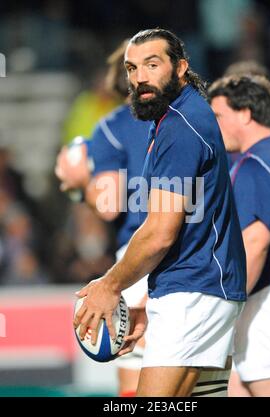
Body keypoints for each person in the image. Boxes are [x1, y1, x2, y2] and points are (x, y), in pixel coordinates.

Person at [73, 28, 246, 397]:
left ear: (181, 67)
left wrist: (109, 286)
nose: (140, 78)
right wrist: (151, 301)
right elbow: (188, 227)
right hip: (200, 290)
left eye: (152, 64)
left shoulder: (179, 128)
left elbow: (159, 232)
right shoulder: (177, 118)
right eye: (132, 68)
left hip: (193, 293)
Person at [55, 40, 151, 396]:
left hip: (140, 260)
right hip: (199, 258)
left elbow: (109, 204)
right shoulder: (193, 117)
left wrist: (81, 185)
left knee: (137, 376)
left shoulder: (114, 126)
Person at [208, 75, 270, 397]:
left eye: (218, 116)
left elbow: (255, 244)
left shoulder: (259, 163)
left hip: (269, 306)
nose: (213, 125)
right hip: (263, 305)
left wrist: (223, 306)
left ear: (245, 113)